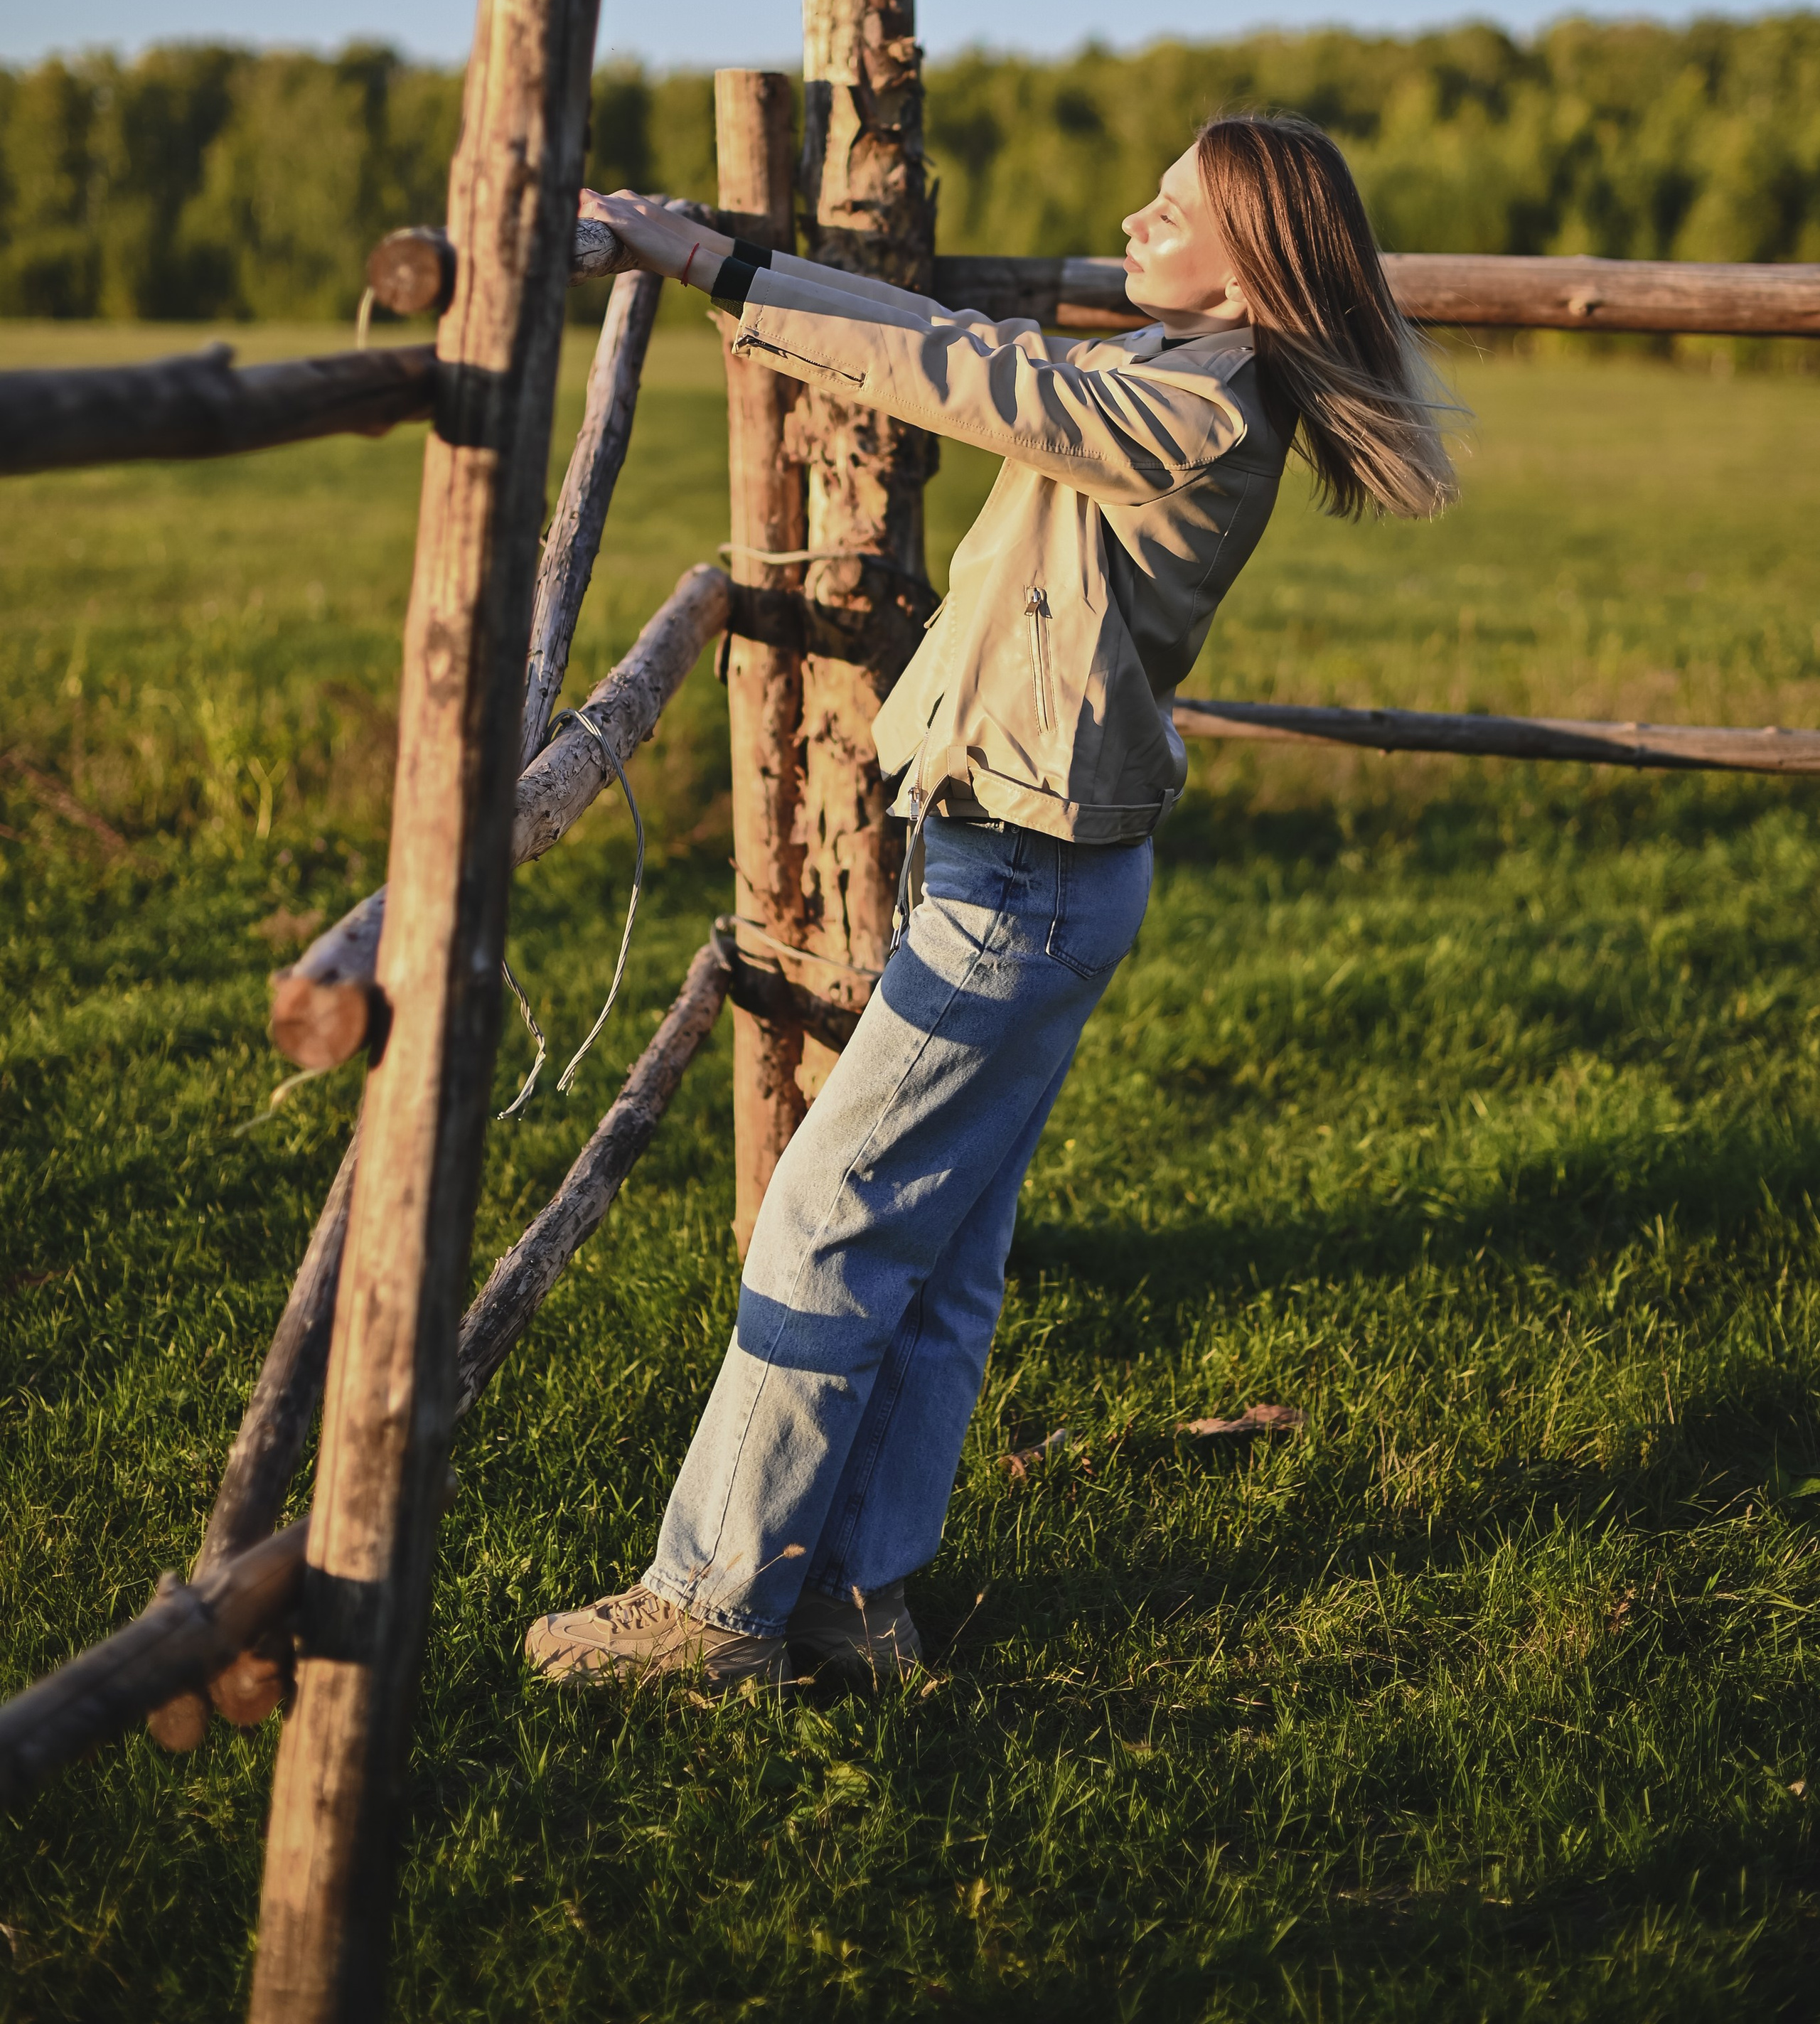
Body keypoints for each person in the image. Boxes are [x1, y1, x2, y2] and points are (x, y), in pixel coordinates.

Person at [525, 114, 1459, 1693]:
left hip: (1018, 879)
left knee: (829, 1217)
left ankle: (710, 1606)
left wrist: (701, 262)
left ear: (1254, 268)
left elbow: (976, 380)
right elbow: (962, 340)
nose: (1129, 219)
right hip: (1037, 869)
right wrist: (730, 261)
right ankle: (853, 1601)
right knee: (942, 1249)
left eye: (1171, 213)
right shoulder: (1173, 372)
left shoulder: (1194, 402)